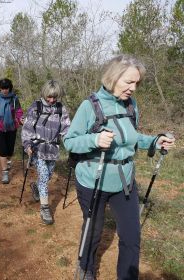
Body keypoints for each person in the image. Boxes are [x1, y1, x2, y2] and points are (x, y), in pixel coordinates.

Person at [63, 54, 175, 280]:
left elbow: (131, 137)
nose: (133, 88)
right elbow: (70, 141)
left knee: (132, 236)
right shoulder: (90, 105)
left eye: (137, 83)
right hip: (93, 180)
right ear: (113, 77)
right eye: (129, 82)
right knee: (93, 231)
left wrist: (154, 141)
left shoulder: (131, 105)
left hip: (124, 181)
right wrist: (94, 140)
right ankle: (86, 268)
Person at [21, 80, 71, 225]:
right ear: (44, 93)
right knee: (43, 176)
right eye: (49, 97)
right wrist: (27, 144)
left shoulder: (61, 109)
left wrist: (72, 145)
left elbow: (67, 129)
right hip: (37, 148)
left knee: (48, 175)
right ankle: (45, 208)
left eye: (55, 97)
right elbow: (27, 128)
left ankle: (36, 186)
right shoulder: (35, 107)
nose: (51, 100)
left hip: (53, 149)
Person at [0, 78, 24, 184]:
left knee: (9, 151)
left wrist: (21, 119)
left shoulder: (14, 98)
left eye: (6, 88)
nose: (4, 90)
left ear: (10, 88)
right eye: (2, 88)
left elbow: (18, 111)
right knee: (3, 151)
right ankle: (5, 173)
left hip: (12, 127)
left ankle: (8, 161)